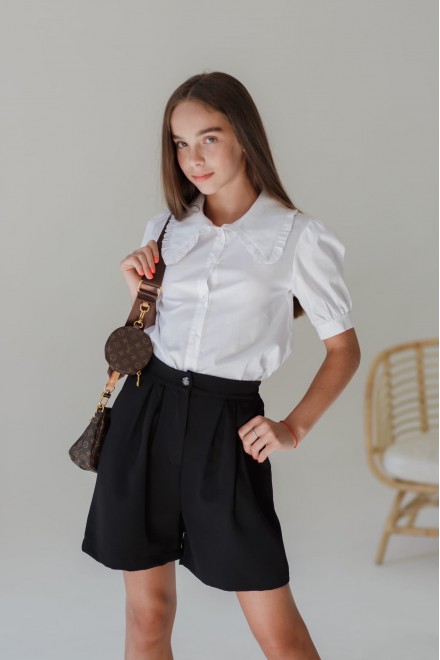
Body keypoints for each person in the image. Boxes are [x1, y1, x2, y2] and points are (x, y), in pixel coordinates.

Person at [81, 71, 361, 660]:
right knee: (148, 617)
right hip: (146, 412)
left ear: (244, 135)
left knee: (279, 634)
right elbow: (149, 339)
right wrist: (138, 291)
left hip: (226, 426)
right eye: (180, 143)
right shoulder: (166, 228)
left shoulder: (298, 237)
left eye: (208, 138)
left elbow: (344, 349)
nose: (193, 159)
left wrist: (293, 427)